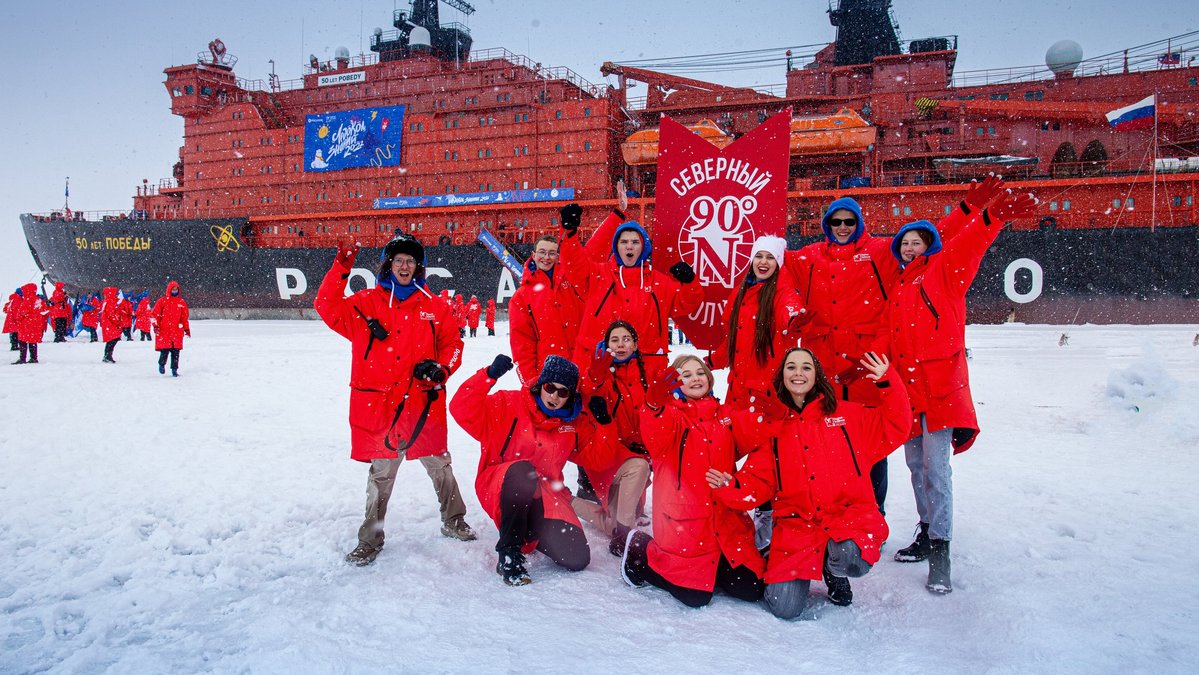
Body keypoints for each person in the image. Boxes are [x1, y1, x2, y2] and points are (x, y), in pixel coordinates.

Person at [786, 179, 1007, 517]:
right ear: (826, 225)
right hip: (825, 370)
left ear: (859, 223)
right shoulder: (810, 256)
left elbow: (930, 243)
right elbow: (771, 263)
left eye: (849, 221)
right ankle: (834, 514)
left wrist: (969, 210)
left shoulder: (879, 251)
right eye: (836, 222)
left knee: (872, 446)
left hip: (866, 367)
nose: (842, 228)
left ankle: (874, 517)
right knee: (826, 443)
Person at [882, 187, 1036, 594]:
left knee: (937, 471)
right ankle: (926, 531)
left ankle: (941, 550)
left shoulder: (944, 272)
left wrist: (991, 218)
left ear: (930, 246)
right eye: (906, 242)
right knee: (916, 469)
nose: (911, 246)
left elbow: (966, 245)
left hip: (940, 389)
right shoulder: (898, 285)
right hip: (910, 392)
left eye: (918, 241)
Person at [706, 348, 910, 619]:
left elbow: (895, 425)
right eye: (791, 367)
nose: (798, 373)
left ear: (817, 375)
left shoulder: (847, 415)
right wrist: (730, 486)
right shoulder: (774, 428)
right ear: (782, 376)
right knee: (784, 609)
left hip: (847, 517)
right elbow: (758, 481)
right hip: (797, 527)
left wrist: (888, 382)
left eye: (806, 367)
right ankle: (798, 561)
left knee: (850, 558)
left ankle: (832, 566)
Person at [315, 235, 476, 567]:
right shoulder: (364, 303)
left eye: (411, 261)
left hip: (421, 409)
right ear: (389, 264)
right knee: (380, 477)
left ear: (418, 267)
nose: (405, 266)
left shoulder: (434, 305)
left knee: (441, 468)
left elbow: (454, 344)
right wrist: (341, 266)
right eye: (399, 260)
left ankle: (454, 520)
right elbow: (327, 306)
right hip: (382, 410)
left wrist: (442, 368)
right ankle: (370, 539)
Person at [451, 353, 612, 586]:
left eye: (563, 392)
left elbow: (599, 459)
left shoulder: (572, 425)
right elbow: (461, 408)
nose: (554, 396)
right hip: (501, 484)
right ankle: (510, 553)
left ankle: (527, 531)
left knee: (577, 557)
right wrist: (487, 375)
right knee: (524, 471)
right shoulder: (506, 403)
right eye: (549, 387)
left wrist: (605, 423)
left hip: (547, 496)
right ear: (540, 385)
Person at [619, 355, 765, 608]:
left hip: (726, 523)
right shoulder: (672, 417)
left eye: (700, 372)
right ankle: (639, 550)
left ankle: (714, 568)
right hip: (685, 526)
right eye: (685, 375)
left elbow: (754, 434)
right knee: (695, 597)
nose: (695, 378)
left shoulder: (725, 415)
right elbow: (655, 429)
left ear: (709, 379)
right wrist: (654, 405)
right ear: (675, 384)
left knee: (751, 588)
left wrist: (770, 417)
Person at [560, 185, 702, 372]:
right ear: (616, 247)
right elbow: (573, 265)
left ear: (643, 248)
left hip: (645, 366)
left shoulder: (658, 282)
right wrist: (570, 234)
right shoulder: (598, 275)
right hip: (598, 362)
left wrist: (690, 282)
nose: (629, 247)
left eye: (635, 242)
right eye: (624, 242)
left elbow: (686, 303)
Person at [573, 320, 652, 556]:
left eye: (626, 339)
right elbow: (588, 390)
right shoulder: (602, 374)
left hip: (640, 451)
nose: (620, 345)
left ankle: (567, 501)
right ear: (606, 345)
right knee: (639, 468)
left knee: (616, 521)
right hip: (612, 453)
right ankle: (623, 536)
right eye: (614, 340)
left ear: (635, 344)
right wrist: (596, 370)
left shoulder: (647, 374)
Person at [707, 236, 808, 410]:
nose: (763, 262)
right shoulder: (740, 294)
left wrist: (794, 319)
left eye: (770, 257)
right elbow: (733, 341)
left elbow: (790, 308)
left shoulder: (783, 292)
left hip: (766, 394)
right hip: (736, 390)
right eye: (759, 256)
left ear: (778, 263)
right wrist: (709, 362)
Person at [509, 233, 584, 385]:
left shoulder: (573, 280)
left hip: (583, 367)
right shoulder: (521, 297)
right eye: (542, 252)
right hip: (550, 375)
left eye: (551, 253)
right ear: (533, 255)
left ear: (558, 256)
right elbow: (522, 345)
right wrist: (531, 382)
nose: (546, 257)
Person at [152, 281, 190, 376]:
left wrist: (186, 329)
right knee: (165, 350)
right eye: (173, 289)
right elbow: (155, 315)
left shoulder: (181, 302)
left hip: (177, 331)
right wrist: (156, 326)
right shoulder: (162, 301)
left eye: (176, 289)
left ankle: (174, 369)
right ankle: (161, 364)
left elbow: (184, 318)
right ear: (169, 290)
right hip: (165, 331)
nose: (174, 291)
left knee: (176, 352)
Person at [11, 283, 48, 364]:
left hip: (26, 324)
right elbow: (44, 310)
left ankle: (22, 358)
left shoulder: (27, 300)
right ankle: (34, 358)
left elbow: (22, 312)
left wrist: (18, 319)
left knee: (22, 341)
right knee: (32, 341)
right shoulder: (38, 300)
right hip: (35, 324)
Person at [99, 286, 130, 363]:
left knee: (112, 340)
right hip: (111, 324)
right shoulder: (111, 302)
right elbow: (111, 314)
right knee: (112, 340)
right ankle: (107, 356)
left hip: (109, 324)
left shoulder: (108, 301)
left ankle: (107, 355)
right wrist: (117, 322)